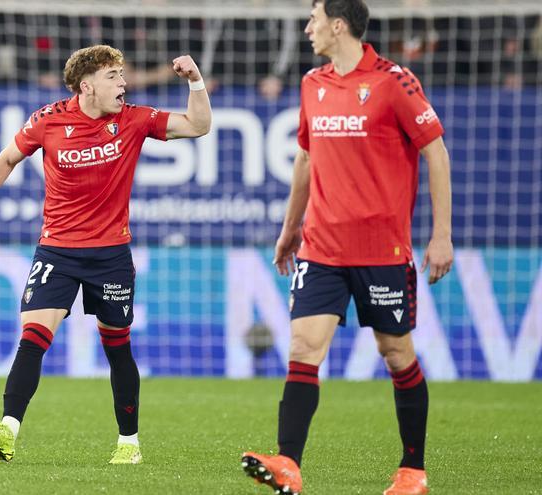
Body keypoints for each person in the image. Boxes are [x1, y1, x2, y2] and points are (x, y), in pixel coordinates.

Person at [240, 1, 452, 495]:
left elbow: (435, 151)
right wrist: (291, 227)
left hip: (382, 251)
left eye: (313, 19)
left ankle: (412, 472)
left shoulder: (394, 82)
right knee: (303, 347)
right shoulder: (312, 83)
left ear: (338, 26)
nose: (307, 27)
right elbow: (306, 160)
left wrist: (441, 235)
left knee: (395, 353)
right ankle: (288, 464)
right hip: (321, 248)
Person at [0, 44, 211, 465]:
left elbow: (197, 125)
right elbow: (7, 159)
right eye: (113, 75)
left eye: (122, 74)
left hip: (111, 255)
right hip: (57, 250)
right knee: (33, 338)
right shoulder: (48, 120)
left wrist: (195, 82)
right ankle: (8, 428)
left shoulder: (134, 119)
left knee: (117, 347)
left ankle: (128, 443)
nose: (123, 82)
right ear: (87, 85)